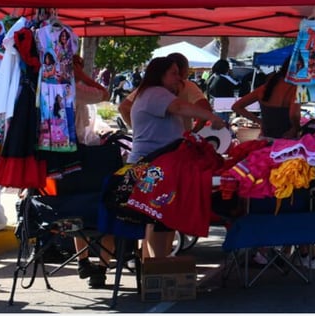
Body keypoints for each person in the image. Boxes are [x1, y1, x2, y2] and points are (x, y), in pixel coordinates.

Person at [126, 56, 226, 261]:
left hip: (158, 166)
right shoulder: (155, 93)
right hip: (149, 167)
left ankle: (158, 265)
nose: (178, 78)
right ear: (159, 75)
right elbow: (181, 108)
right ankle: (155, 265)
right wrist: (213, 117)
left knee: (162, 220)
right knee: (156, 216)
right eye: (173, 73)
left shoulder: (152, 93)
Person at [232, 55, 301, 139]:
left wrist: (259, 121)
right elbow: (294, 114)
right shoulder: (295, 88)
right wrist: (295, 128)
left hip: (264, 139)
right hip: (285, 142)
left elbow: (236, 107)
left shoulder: (266, 87)